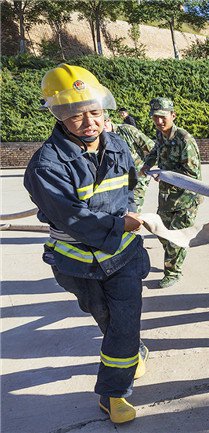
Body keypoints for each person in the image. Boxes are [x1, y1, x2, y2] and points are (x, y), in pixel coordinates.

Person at [23, 64, 150, 424]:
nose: (89, 122)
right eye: (76, 114)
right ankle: (130, 350)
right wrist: (119, 223)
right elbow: (73, 218)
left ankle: (112, 394)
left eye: (94, 111)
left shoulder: (118, 146)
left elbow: (132, 186)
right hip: (79, 265)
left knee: (124, 322)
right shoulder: (47, 166)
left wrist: (132, 213)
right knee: (107, 319)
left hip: (123, 257)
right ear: (59, 115)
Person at [140, 98, 202, 288]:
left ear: (173, 115)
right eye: (155, 117)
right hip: (167, 197)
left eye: (162, 117)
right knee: (161, 231)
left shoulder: (184, 139)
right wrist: (147, 165)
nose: (159, 121)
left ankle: (173, 272)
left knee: (175, 237)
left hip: (186, 198)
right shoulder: (161, 136)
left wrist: (165, 174)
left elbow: (192, 174)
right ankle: (176, 257)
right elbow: (155, 151)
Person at [104, 113, 154, 212]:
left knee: (133, 211)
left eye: (105, 121)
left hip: (136, 178)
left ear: (109, 120)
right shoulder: (99, 138)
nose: (103, 125)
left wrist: (149, 165)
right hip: (116, 182)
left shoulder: (127, 130)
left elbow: (152, 148)